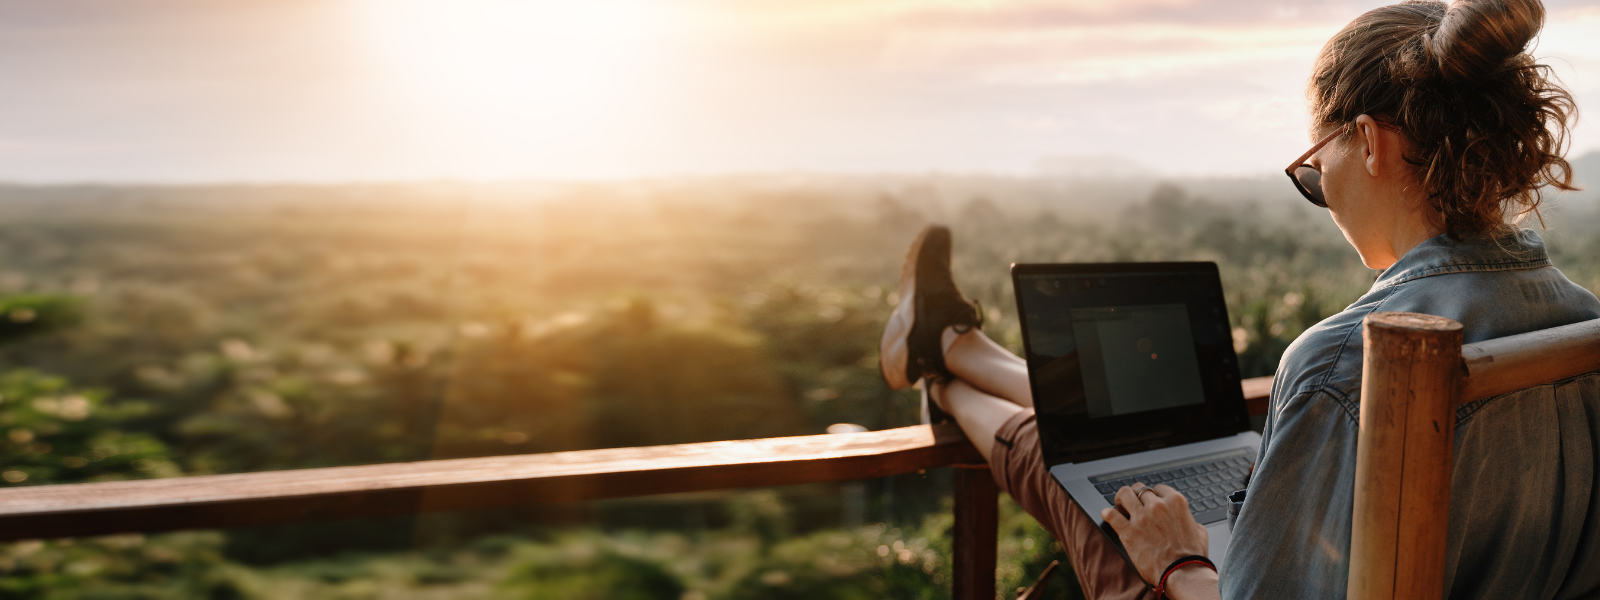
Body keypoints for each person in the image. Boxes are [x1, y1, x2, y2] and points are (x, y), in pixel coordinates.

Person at [877, 0, 1600, 597]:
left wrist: (1179, 560)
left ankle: (943, 368)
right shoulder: (1583, 323)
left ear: (1371, 143)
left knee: (1086, 484)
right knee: (1105, 446)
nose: (1324, 195)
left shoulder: (1348, 363)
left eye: (1314, 170)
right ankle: (948, 348)